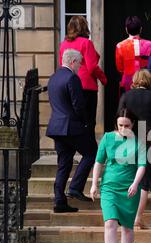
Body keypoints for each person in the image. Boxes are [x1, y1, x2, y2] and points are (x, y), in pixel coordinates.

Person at [90, 108, 146, 243]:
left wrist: (136, 184)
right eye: (120, 125)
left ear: (133, 124)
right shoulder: (107, 138)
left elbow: (142, 165)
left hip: (129, 187)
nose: (123, 128)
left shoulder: (138, 142)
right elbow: (99, 162)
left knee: (128, 228)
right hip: (109, 187)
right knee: (110, 223)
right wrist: (94, 184)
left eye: (126, 125)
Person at [46, 49, 97, 212]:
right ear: (73, 62)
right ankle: (75, 187)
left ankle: (59, 201)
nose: (80, 66)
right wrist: (86, 123)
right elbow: (78, 104)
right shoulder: (72, 77)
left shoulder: (53, 77)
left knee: (64, 163)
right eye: (80, 63)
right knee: (91, 153)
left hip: (56, 127)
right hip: (71, 126)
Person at [118, 69, 151, 229]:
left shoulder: (126, 96)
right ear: (149, 81)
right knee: (144, 180)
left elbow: (120, 116)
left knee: (127, 176)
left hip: (129, 138)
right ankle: (138, 217)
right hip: (150, 139)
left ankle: (125, 214)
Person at [59, 16, 107, 134]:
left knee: (73, 119)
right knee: (89, 121)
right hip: (86, 87)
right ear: (84, 27)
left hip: (68, 86)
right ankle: (88, 149)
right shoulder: (86, 43)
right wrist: (104, 78)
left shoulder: (63, 44)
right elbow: (92, 67)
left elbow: (62, 65)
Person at [115, 16, 151, 93]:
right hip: (145, 82)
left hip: (127, 82)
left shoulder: (120, 46)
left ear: (126, 29)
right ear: (141, 29)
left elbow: (120, 68)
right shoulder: (149, 44)